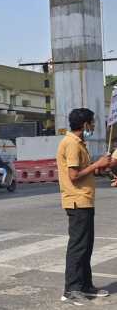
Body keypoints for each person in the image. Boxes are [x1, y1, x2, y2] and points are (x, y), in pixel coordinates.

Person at [56, 108, 111, 305]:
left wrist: (102, 169)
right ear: (85, 124)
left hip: (85, 200)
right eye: (92, 122)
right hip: (77, 201)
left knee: (86, 246)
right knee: (78, 247)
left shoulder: (79, 143)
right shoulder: (71, 143)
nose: (94, 126)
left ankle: (85, 285)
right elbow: (74, 176)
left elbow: (84, 172)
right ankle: (71, 289)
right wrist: (97, 164)